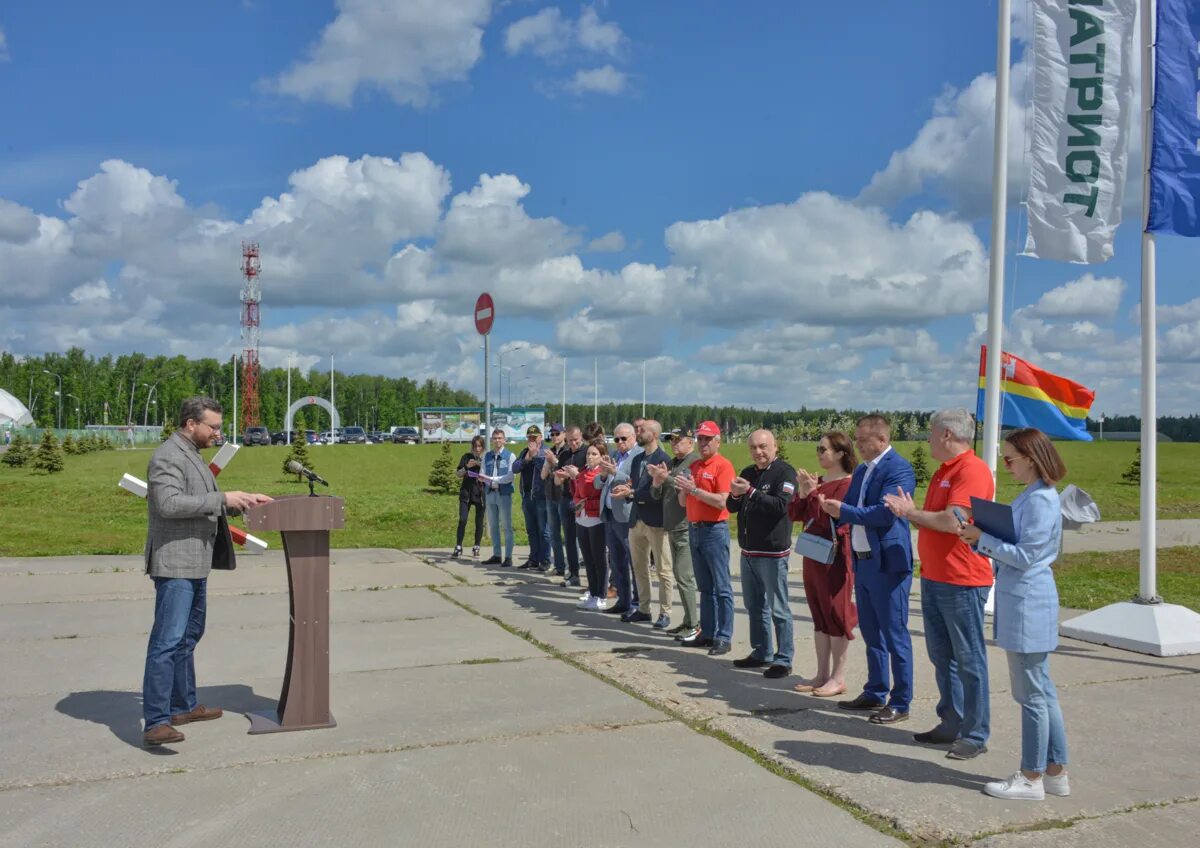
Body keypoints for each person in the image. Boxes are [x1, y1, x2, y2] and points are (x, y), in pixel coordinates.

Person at [141, 396, 271, 747]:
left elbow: (205, 500)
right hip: (175, 564)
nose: (217, 433)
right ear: (190, 424)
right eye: (212, 426)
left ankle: (183, 705)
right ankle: (156, 721)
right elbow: (168, 505)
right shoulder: (167, 456)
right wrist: (222, 499)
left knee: (187, 638)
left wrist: (242, 499)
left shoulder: (190, 455)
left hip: (195, 563)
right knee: (167, 642)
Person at [958, 428, 1071, 802]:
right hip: (1023, 600)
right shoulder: (1032, 495)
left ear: (1032, 459)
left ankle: (1031, 775)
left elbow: (1026, 556)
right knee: (1042, 691)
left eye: (1010, 459)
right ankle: (1054, 770)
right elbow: (1015, 548)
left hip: (1029, 604)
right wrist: (979, 540)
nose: (1006, 466)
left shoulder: (1041, 499)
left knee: (1031, 696)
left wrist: (983, 539)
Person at [884, 408, 995, 760]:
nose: (928, 439)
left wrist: (910, 513)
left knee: (969, 660)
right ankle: (951, 721)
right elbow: (936, 522)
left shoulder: (971, 471)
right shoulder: (945, 472)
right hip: (936, 576)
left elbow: (952, 521)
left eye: (931, 433)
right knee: (942, 656)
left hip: (962, 581)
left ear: (947, 434)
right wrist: (917, 515)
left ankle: (975, 734)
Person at [820, 415, 916, 725]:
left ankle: (901, 700)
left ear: (882, 440)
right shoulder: (862, 470)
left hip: (888, 563)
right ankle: (876, 690)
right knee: (872, 632)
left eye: (863, 441)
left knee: (894, 632)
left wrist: (844, 511)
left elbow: (885, 513)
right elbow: (847, 505)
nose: (858, 446)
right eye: (857, 440)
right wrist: (825, 503)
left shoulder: (897, 468)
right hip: (862, 560)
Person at [788, 431, 858, 696]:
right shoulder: (818, 481)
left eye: (823, 449)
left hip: (835, 557)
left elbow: (829, 518)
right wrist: (803, 493)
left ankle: (838, 677)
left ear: (840, 453)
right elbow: (795, 514)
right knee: (818, 613)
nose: (818, 453)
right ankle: (821, 673)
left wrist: (813, 494)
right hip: (814, 556)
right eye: (818, 449)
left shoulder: (847, 485)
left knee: (836, 614)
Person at [727, 429, 798, 678]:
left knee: (778, 608)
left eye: (763, 447)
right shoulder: (748, 473)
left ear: (775, 446)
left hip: (772, 553)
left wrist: (751, 493)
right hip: (748, 551)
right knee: (754, 606)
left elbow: (781, 506)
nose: (758, 452)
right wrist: (736, 494)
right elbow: (731, 506)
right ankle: (762, 651)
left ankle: (784, 658)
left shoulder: (784, 473)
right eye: (754, 448)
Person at [675, 420, 736, 656]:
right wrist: (684, 488)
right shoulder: (696, 465)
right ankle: (708, 632)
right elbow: (683, 502)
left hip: (714, 530)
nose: (703, 443)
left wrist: (695, 491)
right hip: (695, 528)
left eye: (708, 439)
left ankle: (724, 636)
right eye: (700, 439)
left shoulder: (723, 466)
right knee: (705, 587)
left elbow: (723, 501)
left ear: (718, 441)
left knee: (721, 587)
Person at [649, 428, 701, 640]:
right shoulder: (672, 463)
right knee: (680, 576)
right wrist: (657, 481)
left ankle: (694, 624)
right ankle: (688, 621)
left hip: (685, 525)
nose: (674, 444)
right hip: (671, 525)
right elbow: (657, 494)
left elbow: (684, 486)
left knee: (685, 576)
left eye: (679, 441)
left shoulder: (693, 462)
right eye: (672, 440)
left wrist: (666, 477)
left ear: (691, 442)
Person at [628, 419, 675, 627]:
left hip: (656, 521)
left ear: (654, 434)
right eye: (637, 429)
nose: (638, 432)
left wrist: (633, 493)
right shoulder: (638, 459)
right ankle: (644, 608)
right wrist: (629, 492)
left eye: (642, 430)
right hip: (636, 518)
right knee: (639, 567)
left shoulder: (664, 459)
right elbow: (634, 485)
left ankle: (665, 612)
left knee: (663, 569)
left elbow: (659, 493)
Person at [595, 423, 641, 616]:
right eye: (616, 439)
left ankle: (639, 603)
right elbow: (598, 483)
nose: (620, 442)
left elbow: (636, 481)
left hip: (627, 515)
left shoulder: (638, 456)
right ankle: (623, 600)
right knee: (616, 560)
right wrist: (605, 474)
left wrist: (615, 472)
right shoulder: (613, 455)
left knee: (634, 560)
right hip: (610, 514)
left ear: (633, 437)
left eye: (624, 438)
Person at [573, 440, 609, 610]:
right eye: (588, 453)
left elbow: (595, 496)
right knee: (587, 559)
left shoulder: (602, 474)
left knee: (599, 559)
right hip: (582, 518)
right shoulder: (582, 473)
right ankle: (593, 592)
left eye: (594, 454)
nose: (590, 456)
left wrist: (584, 501)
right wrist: (577, 504)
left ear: (602, 457)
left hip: (596, 520)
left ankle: (601, 595)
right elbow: (576, 494)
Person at [512, 425, 551, 570]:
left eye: (535, 437)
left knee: (543, 530)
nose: (532, 440)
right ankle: (533, 559)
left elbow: (545, 470)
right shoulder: (524, 452)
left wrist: (535, 457)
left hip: (541, 496)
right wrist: (526, 459)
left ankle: (545, 560)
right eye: (529, 437)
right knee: (531, 529)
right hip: (526, 495)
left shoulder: (546, 451)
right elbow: (515, 468)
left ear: (541, 437)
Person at [540, 424, 573, 579]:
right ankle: (559, 566)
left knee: (568, 534)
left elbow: (567, 470)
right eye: (552, 434)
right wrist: (548, 462)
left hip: (564, 496)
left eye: (557, 433)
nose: (554, 437)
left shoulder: (568, 451)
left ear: (564, 434)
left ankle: (571, 567)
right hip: (550, 495)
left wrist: (555, 461)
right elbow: (542, 476)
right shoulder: (551, 451)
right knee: (553, 533)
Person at [480, 428, 516, 567]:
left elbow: (510, 476)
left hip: (504, 494)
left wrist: (494, 480)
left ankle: (508, 556)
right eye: (495, 438)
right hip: (490, 494)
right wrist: (486, 479)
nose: (497, 440)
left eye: (500, 438)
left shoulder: (510, 456)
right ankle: (496, 555)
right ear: (491, 440)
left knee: (506, 526)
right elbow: (483, 474)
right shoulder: (487, 456)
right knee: (493, 526)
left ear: (504, 440)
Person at [453, 435, 486, 559]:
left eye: (480, 446)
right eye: (475, 446)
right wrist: (467, 467)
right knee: (463, 519)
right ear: (472, 447)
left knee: (479, 521)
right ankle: (458, 546)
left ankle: (476, 546)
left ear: (483, 447)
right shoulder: (466, 457)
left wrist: (481, 468)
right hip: (466, 493)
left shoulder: (486, 459)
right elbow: (458, 474)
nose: (477, 449)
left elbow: (490, 475)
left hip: (480, 494)